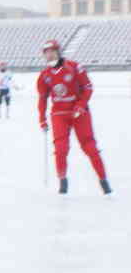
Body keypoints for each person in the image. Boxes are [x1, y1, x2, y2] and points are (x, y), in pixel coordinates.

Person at [37, 39, 112, 195]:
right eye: (46, 53)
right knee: (61, 148)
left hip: (79, 113)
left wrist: (80, 105)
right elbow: (42, 98)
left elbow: (88, 88)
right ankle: (63, 182)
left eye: (52, 51)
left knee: (89, 147)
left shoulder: (75, 67)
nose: (49, 55)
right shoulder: (44, 75)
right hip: (59, 115)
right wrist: (42, 118)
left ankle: (103, 180)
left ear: (59, 51)